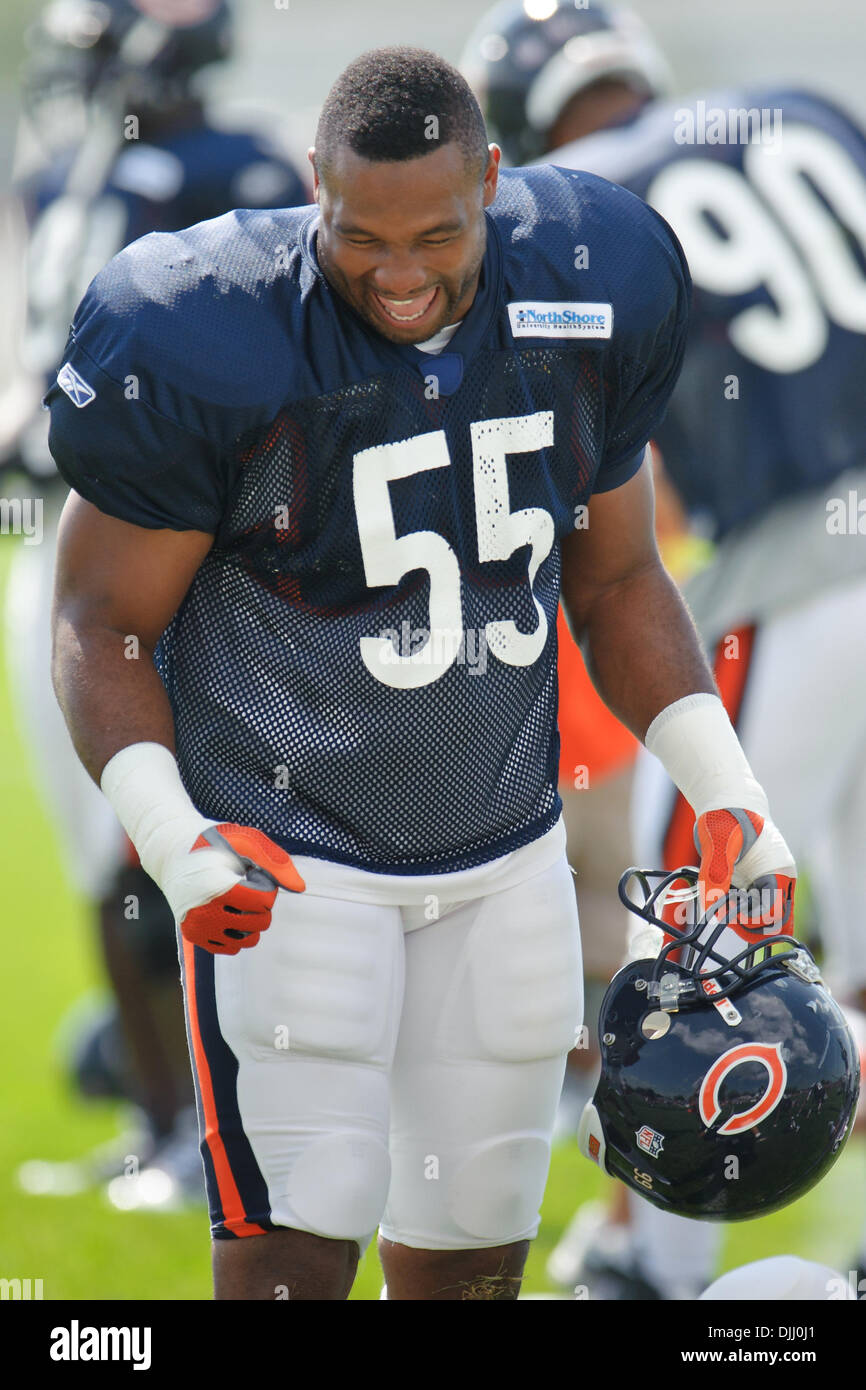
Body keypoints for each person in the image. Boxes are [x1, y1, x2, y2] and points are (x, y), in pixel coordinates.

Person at [47, 45, 796, 1301]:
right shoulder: (206, 328)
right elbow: (100, 617)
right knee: (295, 1249)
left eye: (435, 234)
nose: (397, 274)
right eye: (358, 236)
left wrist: (722, 784)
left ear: (494, 182)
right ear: (312, 189)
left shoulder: (586, 277)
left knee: (473, 1262)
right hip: (292, 858)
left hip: (505, 856)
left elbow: (616, 581)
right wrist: (173, 838)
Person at [464, 0, 866, 1297]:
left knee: (688, 913)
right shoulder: (799, 114)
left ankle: (658, 1260)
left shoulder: (574, 206)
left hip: (800, 575)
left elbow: (607, 469)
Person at [4, 0, 308, 1209]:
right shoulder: (63, 173)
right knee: (98, 850)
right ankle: (154, 1123)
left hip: (174, 546)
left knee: (175, 834)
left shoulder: (234, 170)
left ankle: (222, 1125)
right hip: (57, 538)